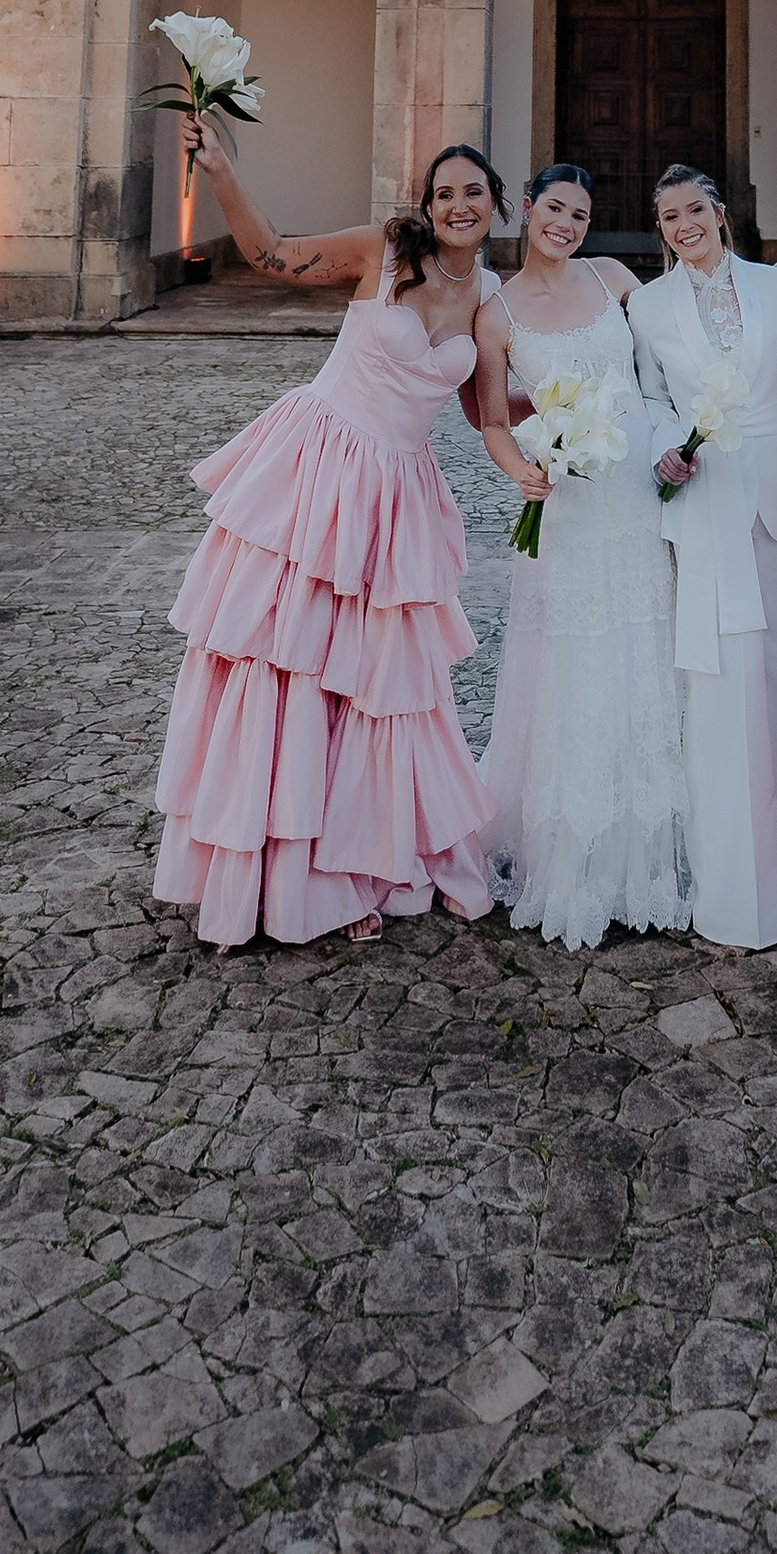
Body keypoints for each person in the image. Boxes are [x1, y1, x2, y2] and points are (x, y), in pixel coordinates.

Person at [151, 136, 510, 950]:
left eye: (474, 193)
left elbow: (486, 411)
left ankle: (359, 861)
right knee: (286, 660)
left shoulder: (491, 296)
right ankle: (280, 871)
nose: (459, 206)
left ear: (497, 202)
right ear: (427, 203)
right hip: (319, 466)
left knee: (379, 684)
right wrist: (222, 174)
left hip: (398, 497)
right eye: (444, 193)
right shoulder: (383, 250)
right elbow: (271, 253)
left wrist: (580, 414)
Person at [474, 162, 691, 950]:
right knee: (572, 663)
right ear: (528, 208)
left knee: (645, 648)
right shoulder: (495, 314)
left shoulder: (610, 275)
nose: (567, 223)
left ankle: (648, 852)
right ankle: (571, 855)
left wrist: (768, 284)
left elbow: (681, 315)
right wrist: (520, 470)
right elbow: (494, 420)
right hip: (565, 498)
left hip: (635, 486)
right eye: (555, 207)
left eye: (581, 212)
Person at [631, 163, 777, 949]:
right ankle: (737, 887)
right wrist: (670, 447)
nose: (683, 225)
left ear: (720, 212)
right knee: (722, 683)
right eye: (668, 216)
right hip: (705, 505)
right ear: (660, 228)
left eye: (693, 208)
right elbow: (652, 399)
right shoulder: (648, 305)